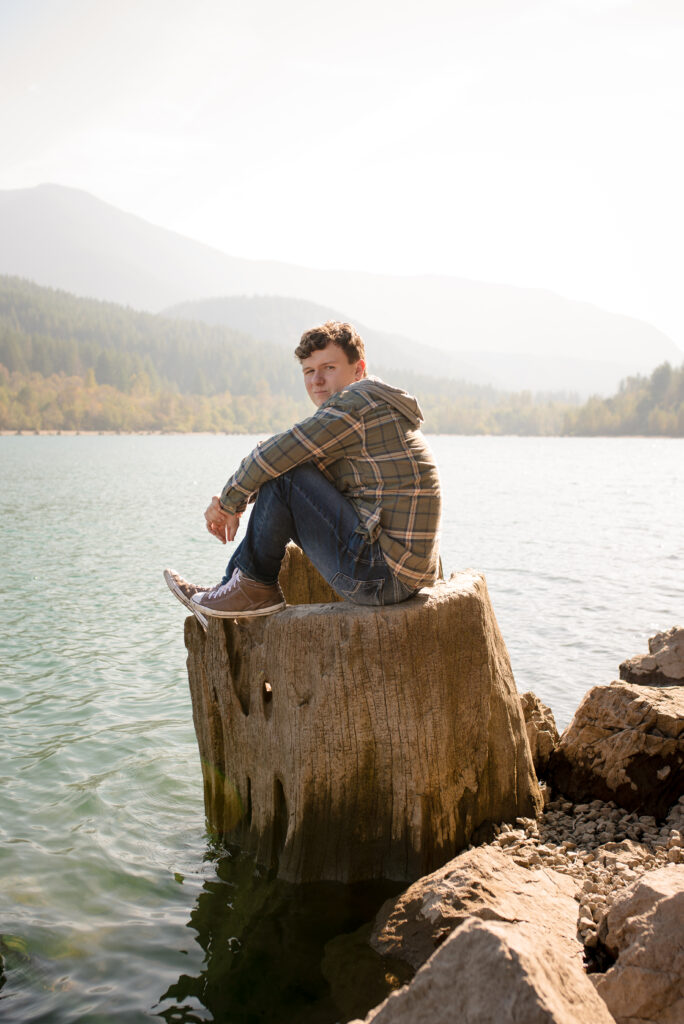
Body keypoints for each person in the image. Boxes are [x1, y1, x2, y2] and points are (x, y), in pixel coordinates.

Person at [164, 321, 441, 622]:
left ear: (358, 369)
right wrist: (239, 496)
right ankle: (233, 587)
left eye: (329, 368)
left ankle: (250, 589)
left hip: (382, 577)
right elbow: (287, 456)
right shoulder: (366, 408)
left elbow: (275, 456)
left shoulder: (356, 406)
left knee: (285, 475)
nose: (317, 380)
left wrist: (230, 503)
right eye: (309, 372)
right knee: (286, 471)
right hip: (400, 575)